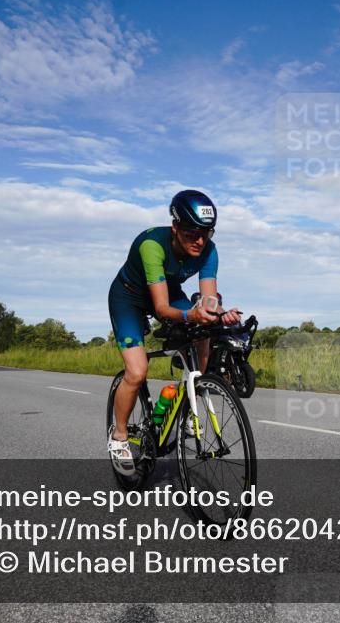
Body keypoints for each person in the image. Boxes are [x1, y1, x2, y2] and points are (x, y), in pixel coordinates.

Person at [107, 190, 240, 470]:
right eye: (192, 232)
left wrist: (219, 315)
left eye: (207, 232)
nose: (200, 240)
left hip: (170, 293)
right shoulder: (152, 245)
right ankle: (119, 437)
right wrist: (191, 313)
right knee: (137, 371)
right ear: (175, 226)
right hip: (129, 298)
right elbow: (162, 308)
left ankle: (190, 396)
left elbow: (208, 301)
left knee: (204, 330)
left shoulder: (208, 251)